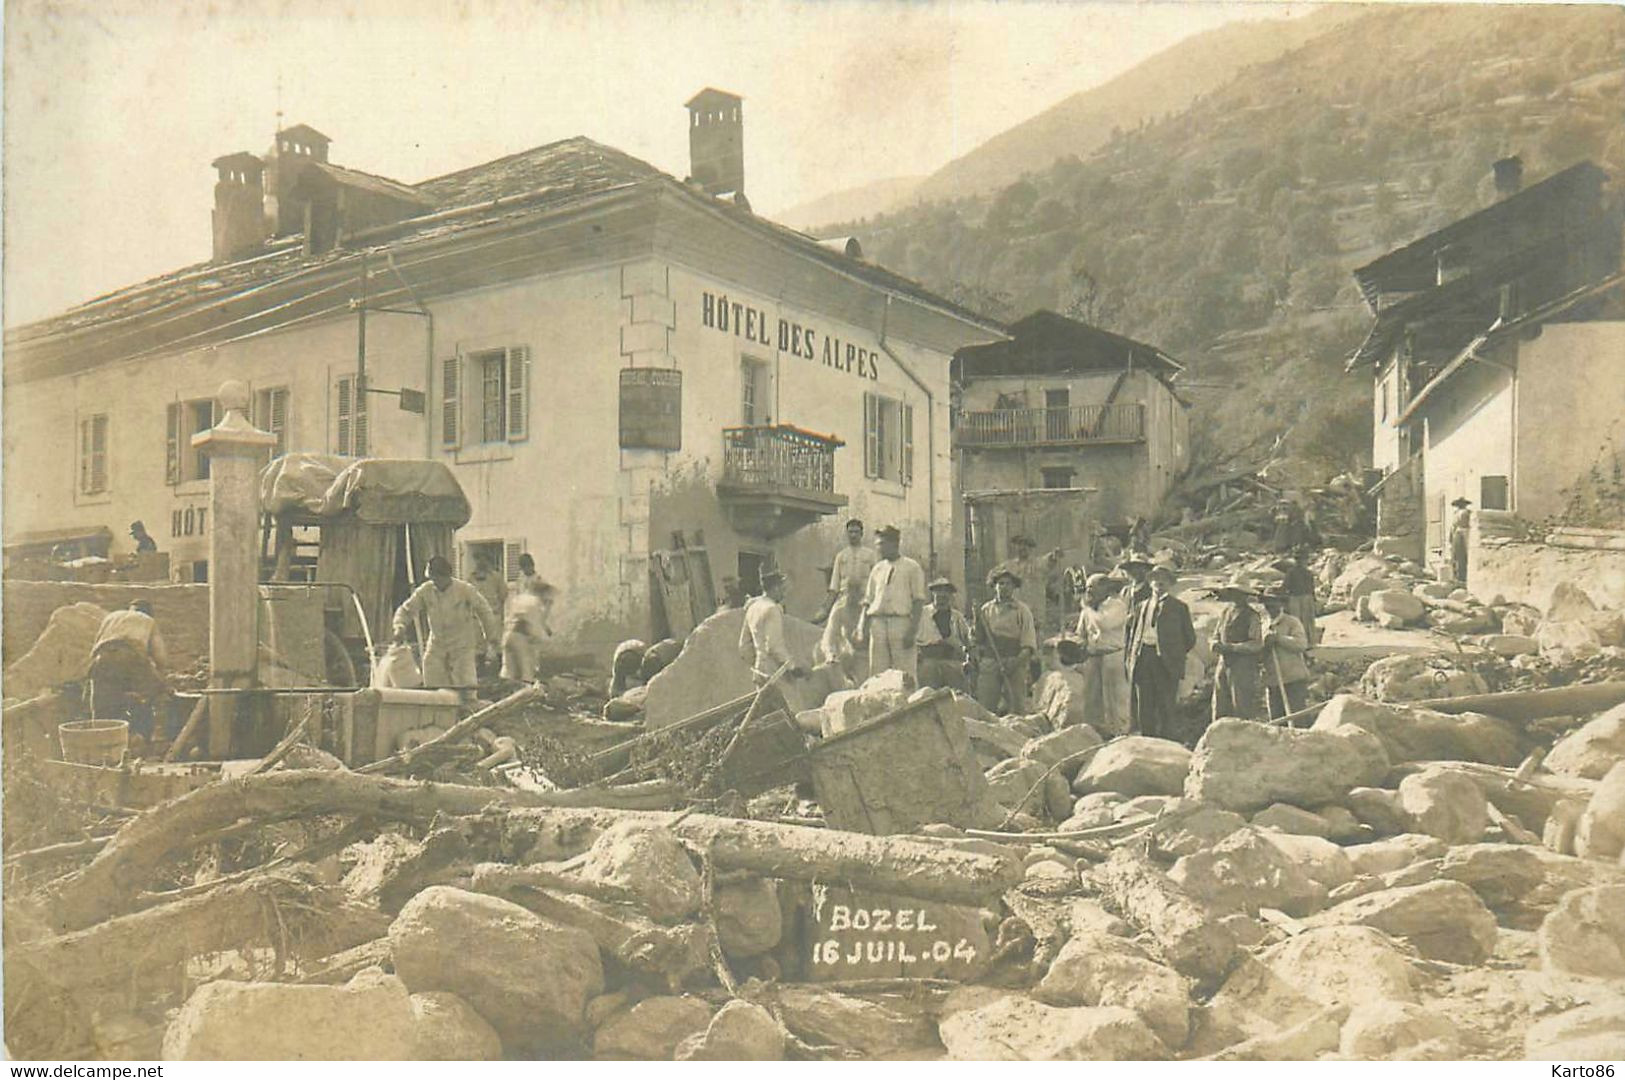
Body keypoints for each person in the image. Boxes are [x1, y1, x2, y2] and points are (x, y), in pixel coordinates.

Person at [392, 555, 501, 691]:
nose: (435, 582)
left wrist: (491, 639)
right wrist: (399, 626)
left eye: (437, 578)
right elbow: (406, 610)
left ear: (446, 576)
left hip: (462, 646)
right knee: (432, 683)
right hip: (437, 645)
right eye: (432, 578)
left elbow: (484, 611)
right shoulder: (426, 591)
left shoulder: (465, 590)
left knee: (466, 686)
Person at [1127, 565, 1195, 740]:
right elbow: (1132, 633)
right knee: (1144, 704)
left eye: (1164, 579)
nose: (1159, 582)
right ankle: (1147, 740)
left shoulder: (1179, 607)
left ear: (1170, 583)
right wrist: (1131, 658)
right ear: (1150, 583)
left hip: (1165, 661)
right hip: (1143, 657)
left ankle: (1167, 741)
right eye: (1155, 578)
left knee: (1166, 704)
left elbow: (1189, 638)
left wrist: (1172, 652)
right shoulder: (1141, 606)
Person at [854, 525, 928, 683]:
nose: (879, 549)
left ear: (895, 544)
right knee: (877, 673)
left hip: (901, 623)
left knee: (904, 673)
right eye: (877, 545)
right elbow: (868, 601)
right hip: (878, 623)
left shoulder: (911, 567)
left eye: (883, 544)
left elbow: (918, 600)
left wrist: (912, 630)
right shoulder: (877, 569)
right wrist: (861, 627)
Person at [87, 600, 170, 740]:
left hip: (102, 659)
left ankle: (102, 741)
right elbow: (160, 657)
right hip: (131, 657)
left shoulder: (112, 616)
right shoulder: (148, 621)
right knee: (144, 697)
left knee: (103, 704)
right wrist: (161, 680)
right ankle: (141, 736)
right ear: (149, 613)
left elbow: (95, 646)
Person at [975, 568, 1037, 715]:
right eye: (1000, 583)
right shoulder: (985, 610)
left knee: (1016, 706)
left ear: (1014, 587)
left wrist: (1015, 663)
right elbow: (978, 640)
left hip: (1014, 661)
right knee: (986, 705)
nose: (1004, 587)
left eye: (1008, 584)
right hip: (991, 661)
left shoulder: (1022, 610)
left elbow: (1028, 644)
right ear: (994, 586)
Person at [1075, 572, 1131, 736]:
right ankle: (1095, 731)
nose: (1088, 591)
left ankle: (1119, 730)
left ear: (1105, 588)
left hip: (1113, 655)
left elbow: (1104, 623)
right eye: (1087, 588)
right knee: (1092, 697)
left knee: (1114, 697)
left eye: (1093, 587)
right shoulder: (1088, 609)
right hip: (1093, 656)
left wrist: (1087, 608)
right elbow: (1081, 633)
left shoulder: (1116, 606)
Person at [819, 518, 878, 667]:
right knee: (832, 624)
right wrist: (825, 609)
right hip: (845, 597)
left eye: (856, 532)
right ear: (847, 534)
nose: (853, 535)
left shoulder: (870, 555)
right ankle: (830, 654)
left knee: (872, 629)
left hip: (864, 598)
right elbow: (834, 585)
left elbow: (877, 581)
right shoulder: (841, 556)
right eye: (850, 532)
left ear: (862, 534)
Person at [1210, 582, 1265, 724]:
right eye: (1233, 592)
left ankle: (1242, 739)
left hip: (1243, 664)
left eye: (1239, 593)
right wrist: (1214, 643)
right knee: (1220, 701)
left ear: (1245, 596)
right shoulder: (1226, 612)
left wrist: (1233, 648)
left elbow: (1256, 643)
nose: (1235, 596)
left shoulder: (1252, 616)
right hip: (1224, 662)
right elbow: (1216, 633)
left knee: (1241, 703)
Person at [738, 569, 805, 686]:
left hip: (760, 672)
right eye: (782, 589)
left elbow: (743, 646)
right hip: (775, 673)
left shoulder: (752, 608)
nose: (783, 594)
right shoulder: (772, 609)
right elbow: (774, 646)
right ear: (774, 588)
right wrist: (792, 667)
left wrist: (758, 663)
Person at [1260, 587, 1311, 721]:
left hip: (1293, 679)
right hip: (1273, 680)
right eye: (1267, 602)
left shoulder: (1292, 622)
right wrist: (1264, 645)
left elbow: (1301, 644)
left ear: (1281, 603)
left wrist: (1278, 638)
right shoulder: (1263, 624)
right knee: (1276, 720)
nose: (1269, 606)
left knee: (1297, 717)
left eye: (1273, 602)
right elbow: (1258, 650)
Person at [917, 577, 973, 692]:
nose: (942, 595)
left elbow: (968, 640)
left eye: (946, 592)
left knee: (957, 697)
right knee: (927, 696)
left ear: (951, 596)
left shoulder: (957, 617)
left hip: (951, 661)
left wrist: (968, 659)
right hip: (928, 661)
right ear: (933, 593)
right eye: (938, 591)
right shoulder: (922, 614)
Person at [500, 578, 555, 683]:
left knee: (509, 670)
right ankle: (527, 694)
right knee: (526, 670)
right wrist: (540, 639)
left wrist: (545, 628)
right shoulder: (534, 602)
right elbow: (533, 624)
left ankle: (506, 693)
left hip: (508, 635)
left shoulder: (519, 599)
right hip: (520, 637)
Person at [1273, 554, 1321, 647]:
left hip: (1300, 598)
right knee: (1302, 620)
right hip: (1301, 598)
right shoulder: (1300, 572)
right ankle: (1305, 641)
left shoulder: (1301, 572)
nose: (1302, 562)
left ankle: (1306, 641)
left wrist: (1279, 593)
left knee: (1302, 620)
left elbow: (1285, 586)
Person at [469, 553, 508, 622]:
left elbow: (503, 595)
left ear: (488, 561)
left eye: (483, 559)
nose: (480, 562)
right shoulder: (471, 578)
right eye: (478, 559)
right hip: (477, 617)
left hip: (493, 614)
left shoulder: (496, 577)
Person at [1449, 497, 1473, 585]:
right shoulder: (1458, 513)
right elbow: (1452, 527)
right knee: (1457, 556)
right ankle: (1458, 576)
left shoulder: (1466, 513)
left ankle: (1462, 577)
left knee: (1462, 556)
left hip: (1463, 533)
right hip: (1458, 534)